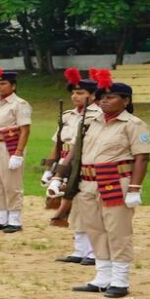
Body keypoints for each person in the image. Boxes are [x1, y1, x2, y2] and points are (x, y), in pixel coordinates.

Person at [68, 70, 150, 298]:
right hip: (89, 181)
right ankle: (102, 276)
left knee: (118, 231)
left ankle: (120, 279)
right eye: (101, 97)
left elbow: (142, 157)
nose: (104, 101)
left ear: (126, 100)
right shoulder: (91, 122)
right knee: (95, 229)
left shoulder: (133, 124)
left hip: (115, 180)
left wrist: (135, 188)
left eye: (111, 97)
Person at [44, 68, 101, 266]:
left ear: (93, 96)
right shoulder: (68, 115)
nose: (75, 96)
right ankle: (80, 249)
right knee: (73, 204)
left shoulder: (97, 115)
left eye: (81, 93)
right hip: (66, 161)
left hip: (85, 161)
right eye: (74, 92)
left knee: (89, 205)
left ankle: (95, 251)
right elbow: (57, 143)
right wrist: (50, 169)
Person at [0, 68, 31, 233]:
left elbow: (25, 129)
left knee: (11, 182)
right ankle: (2, 214)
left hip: (9, 144)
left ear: (13, 86)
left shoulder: (19, 104)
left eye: (3, 83)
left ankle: (14, 217)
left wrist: (18, 152)